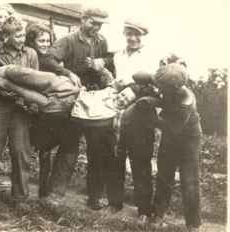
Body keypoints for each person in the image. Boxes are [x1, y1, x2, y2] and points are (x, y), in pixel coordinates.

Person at [43, 7, 120, 211]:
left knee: (98, 150)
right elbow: (48, 59)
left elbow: (110, 61)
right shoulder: (68, 40)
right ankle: (56, 194)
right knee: (69, 147)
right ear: (82, 19)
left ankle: (94, 197)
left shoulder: (101, 41)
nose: (96, 27)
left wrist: (102, 63)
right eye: (93, 22)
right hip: (74, 100)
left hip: (95, 101)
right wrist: (66, 72)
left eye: (100, 24)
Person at [0, 15, 38, 210]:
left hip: (20, 108)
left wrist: (31, 101)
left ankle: (20, 199)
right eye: (18, 36)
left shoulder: (31, 54)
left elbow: (36, 80)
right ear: (6, 37)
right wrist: (0, 90)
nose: (22, 39)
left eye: (23, 35)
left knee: (21, 152)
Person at [23, 22, 81, 199]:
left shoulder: (49, 58)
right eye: (41, 40)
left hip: (48, 108)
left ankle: (46, 191)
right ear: (32, 41)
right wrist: (67, 72)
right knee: (35, 149)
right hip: (32, 108)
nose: (45, 44)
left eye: (48, 40)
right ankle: (34, 189)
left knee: (47, 149)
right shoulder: (29, 56)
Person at [112, 19, 160, 222]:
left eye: (136, 34)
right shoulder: (118, 55)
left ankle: (143, 210)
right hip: (118, 110)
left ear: (143, 36)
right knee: (115, 157)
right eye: (129, 34)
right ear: (124, 34)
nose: (132, 38)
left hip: (141, 112)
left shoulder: (151, 56)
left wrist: (131, 83)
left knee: (140, 161)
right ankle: (115, 203)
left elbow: (154, 85)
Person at [148, 63, 202, 232]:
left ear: (176, 87)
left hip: (188, 139)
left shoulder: (187, 100)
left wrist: (151, 116)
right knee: (164, 175)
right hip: (170, 136)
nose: (161, 90)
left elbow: (173, 127)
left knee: (189, 180)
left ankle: (193, 224)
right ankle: (157, 215)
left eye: (164, 88)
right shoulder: (167, 85)